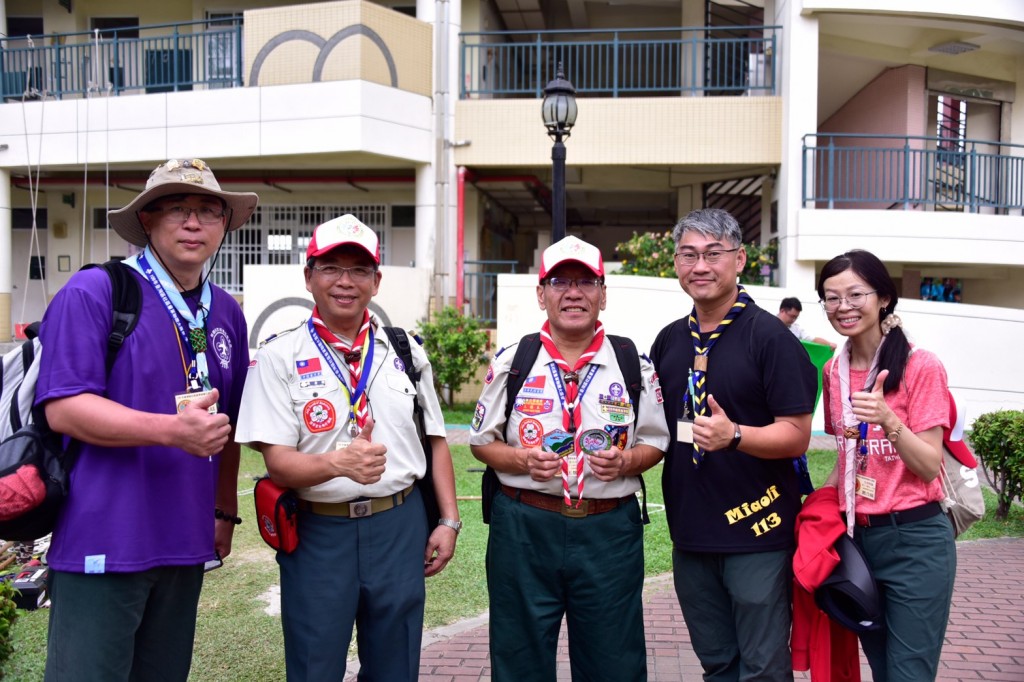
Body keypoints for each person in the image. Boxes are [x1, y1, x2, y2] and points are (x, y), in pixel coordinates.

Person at [35, 158, 256, 680]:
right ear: (148, 221)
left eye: (208, 210)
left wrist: (224, 511)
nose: (193, 222)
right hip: (104, 537)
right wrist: (171, 431)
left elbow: (228, 428)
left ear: (225, 224)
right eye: (178, 209)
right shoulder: (96, 292)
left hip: (184, 540)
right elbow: (64, 408)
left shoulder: (225, 312)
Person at [234, 214, 460, 681]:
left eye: (359, 270)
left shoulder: (405, 352)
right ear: (308, 276)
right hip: (320, 532)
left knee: (395, 667)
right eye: (331, 267)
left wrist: (449, 521)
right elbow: (277, 463)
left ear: (376, 282)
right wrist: (339, 463)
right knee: (315, 666)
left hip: (399, 526)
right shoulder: (279, 357)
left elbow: (435, 440)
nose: (345, 281)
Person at [470, 235, 670, 682]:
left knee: (614, 662)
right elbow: (481, 443)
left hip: (608, 530)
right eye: (559, 281)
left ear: (603, 294)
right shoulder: (513, 361)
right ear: (541, 294)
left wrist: (626, 463)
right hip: (524, 528)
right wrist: (522, 461)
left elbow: (656, 443)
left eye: (586, 282)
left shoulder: (632, 363)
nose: (573, 292)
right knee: (518, 656)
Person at [649, 208, 817, 681]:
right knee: (717, 664)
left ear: (740, 259)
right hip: (691, 533)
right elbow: (657, 429)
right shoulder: (669, 341)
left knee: (762, 667)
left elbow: (797, 434)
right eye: (688, 254)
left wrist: (736, 435)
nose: (700, 265)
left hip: (757, 532)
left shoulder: (771, 339)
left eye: (713, 253)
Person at [818, 249, 955, 681]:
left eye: (856, 294)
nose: (844, 307)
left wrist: (888, 419)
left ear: (884, 299)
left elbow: (930, 465)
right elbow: (846, 460)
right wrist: (813, 512)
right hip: (859, 544)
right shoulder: (833, 373)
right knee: (882, 669)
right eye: (831, 297)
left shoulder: (920, 365)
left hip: (915, 540)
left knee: (908, 673)